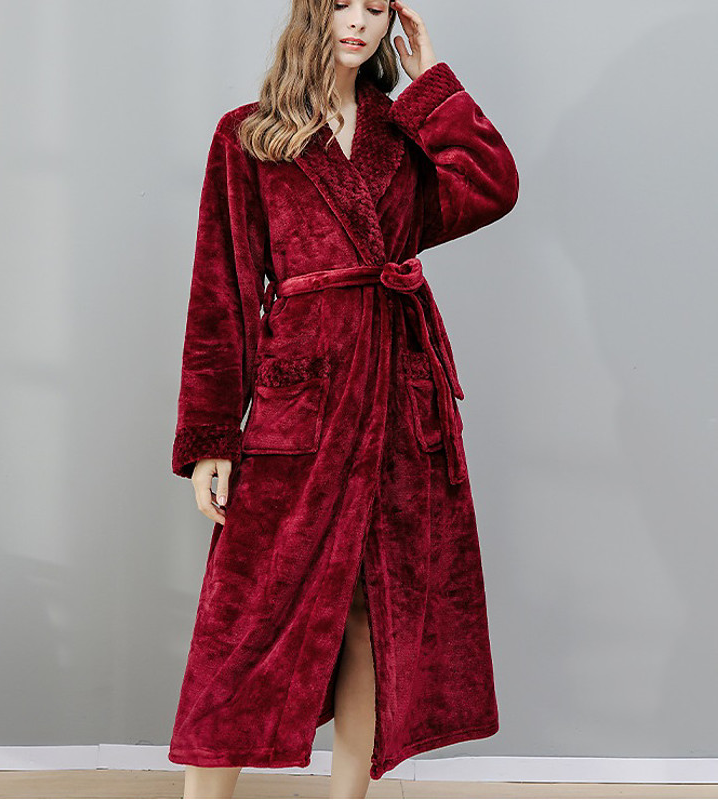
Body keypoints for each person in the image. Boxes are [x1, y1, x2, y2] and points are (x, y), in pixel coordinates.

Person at [168, 0, 519, 797]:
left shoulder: (404, 132)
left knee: (373, 615)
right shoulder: (248, 135)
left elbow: (492, 187)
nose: (357, 22)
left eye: (375, 6)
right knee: (242, 619)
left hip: (398, 395)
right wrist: (212, 438)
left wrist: (433, 82)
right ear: (312, 14)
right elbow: (221, 294)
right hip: (303, 401)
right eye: (340, 5)